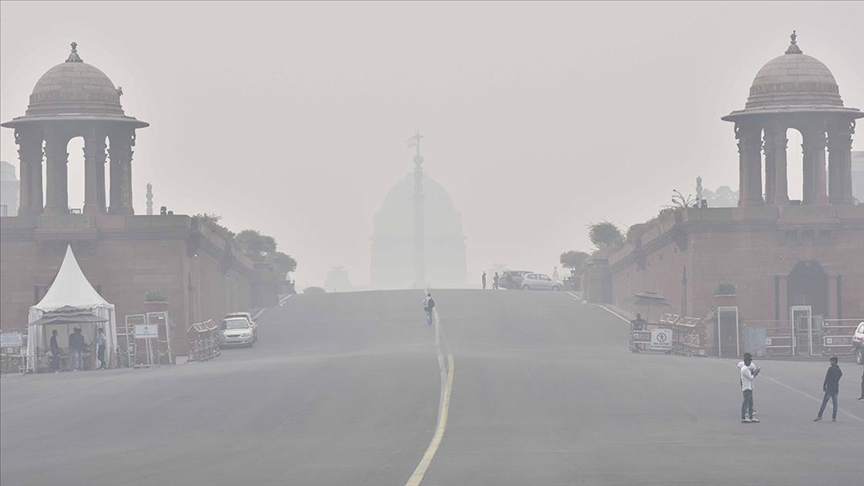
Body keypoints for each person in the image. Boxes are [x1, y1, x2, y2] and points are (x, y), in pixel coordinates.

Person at [814, 356, 842, 422]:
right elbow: (840, 375)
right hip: (835, 388)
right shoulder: (839, 370)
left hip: (829, 388)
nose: (830, 363)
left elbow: (827, 378)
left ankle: (819, 415)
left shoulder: (830, 369)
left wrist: (824, 386)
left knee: (824, 403)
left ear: (834, 361)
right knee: (835, 403)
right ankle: (834, 417)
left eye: (831, 361)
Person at [740, 353, 760, 423]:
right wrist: (755, 373)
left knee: (750, 403)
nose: (750, 363)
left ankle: (751, 416)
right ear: (747, 361)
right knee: (745, 403)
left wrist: (755, 373)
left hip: (749, 387)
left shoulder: (746, 369)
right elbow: (751, 378)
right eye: (749, 361)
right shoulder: (745, 369)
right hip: (746, 388)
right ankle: (743, 417)